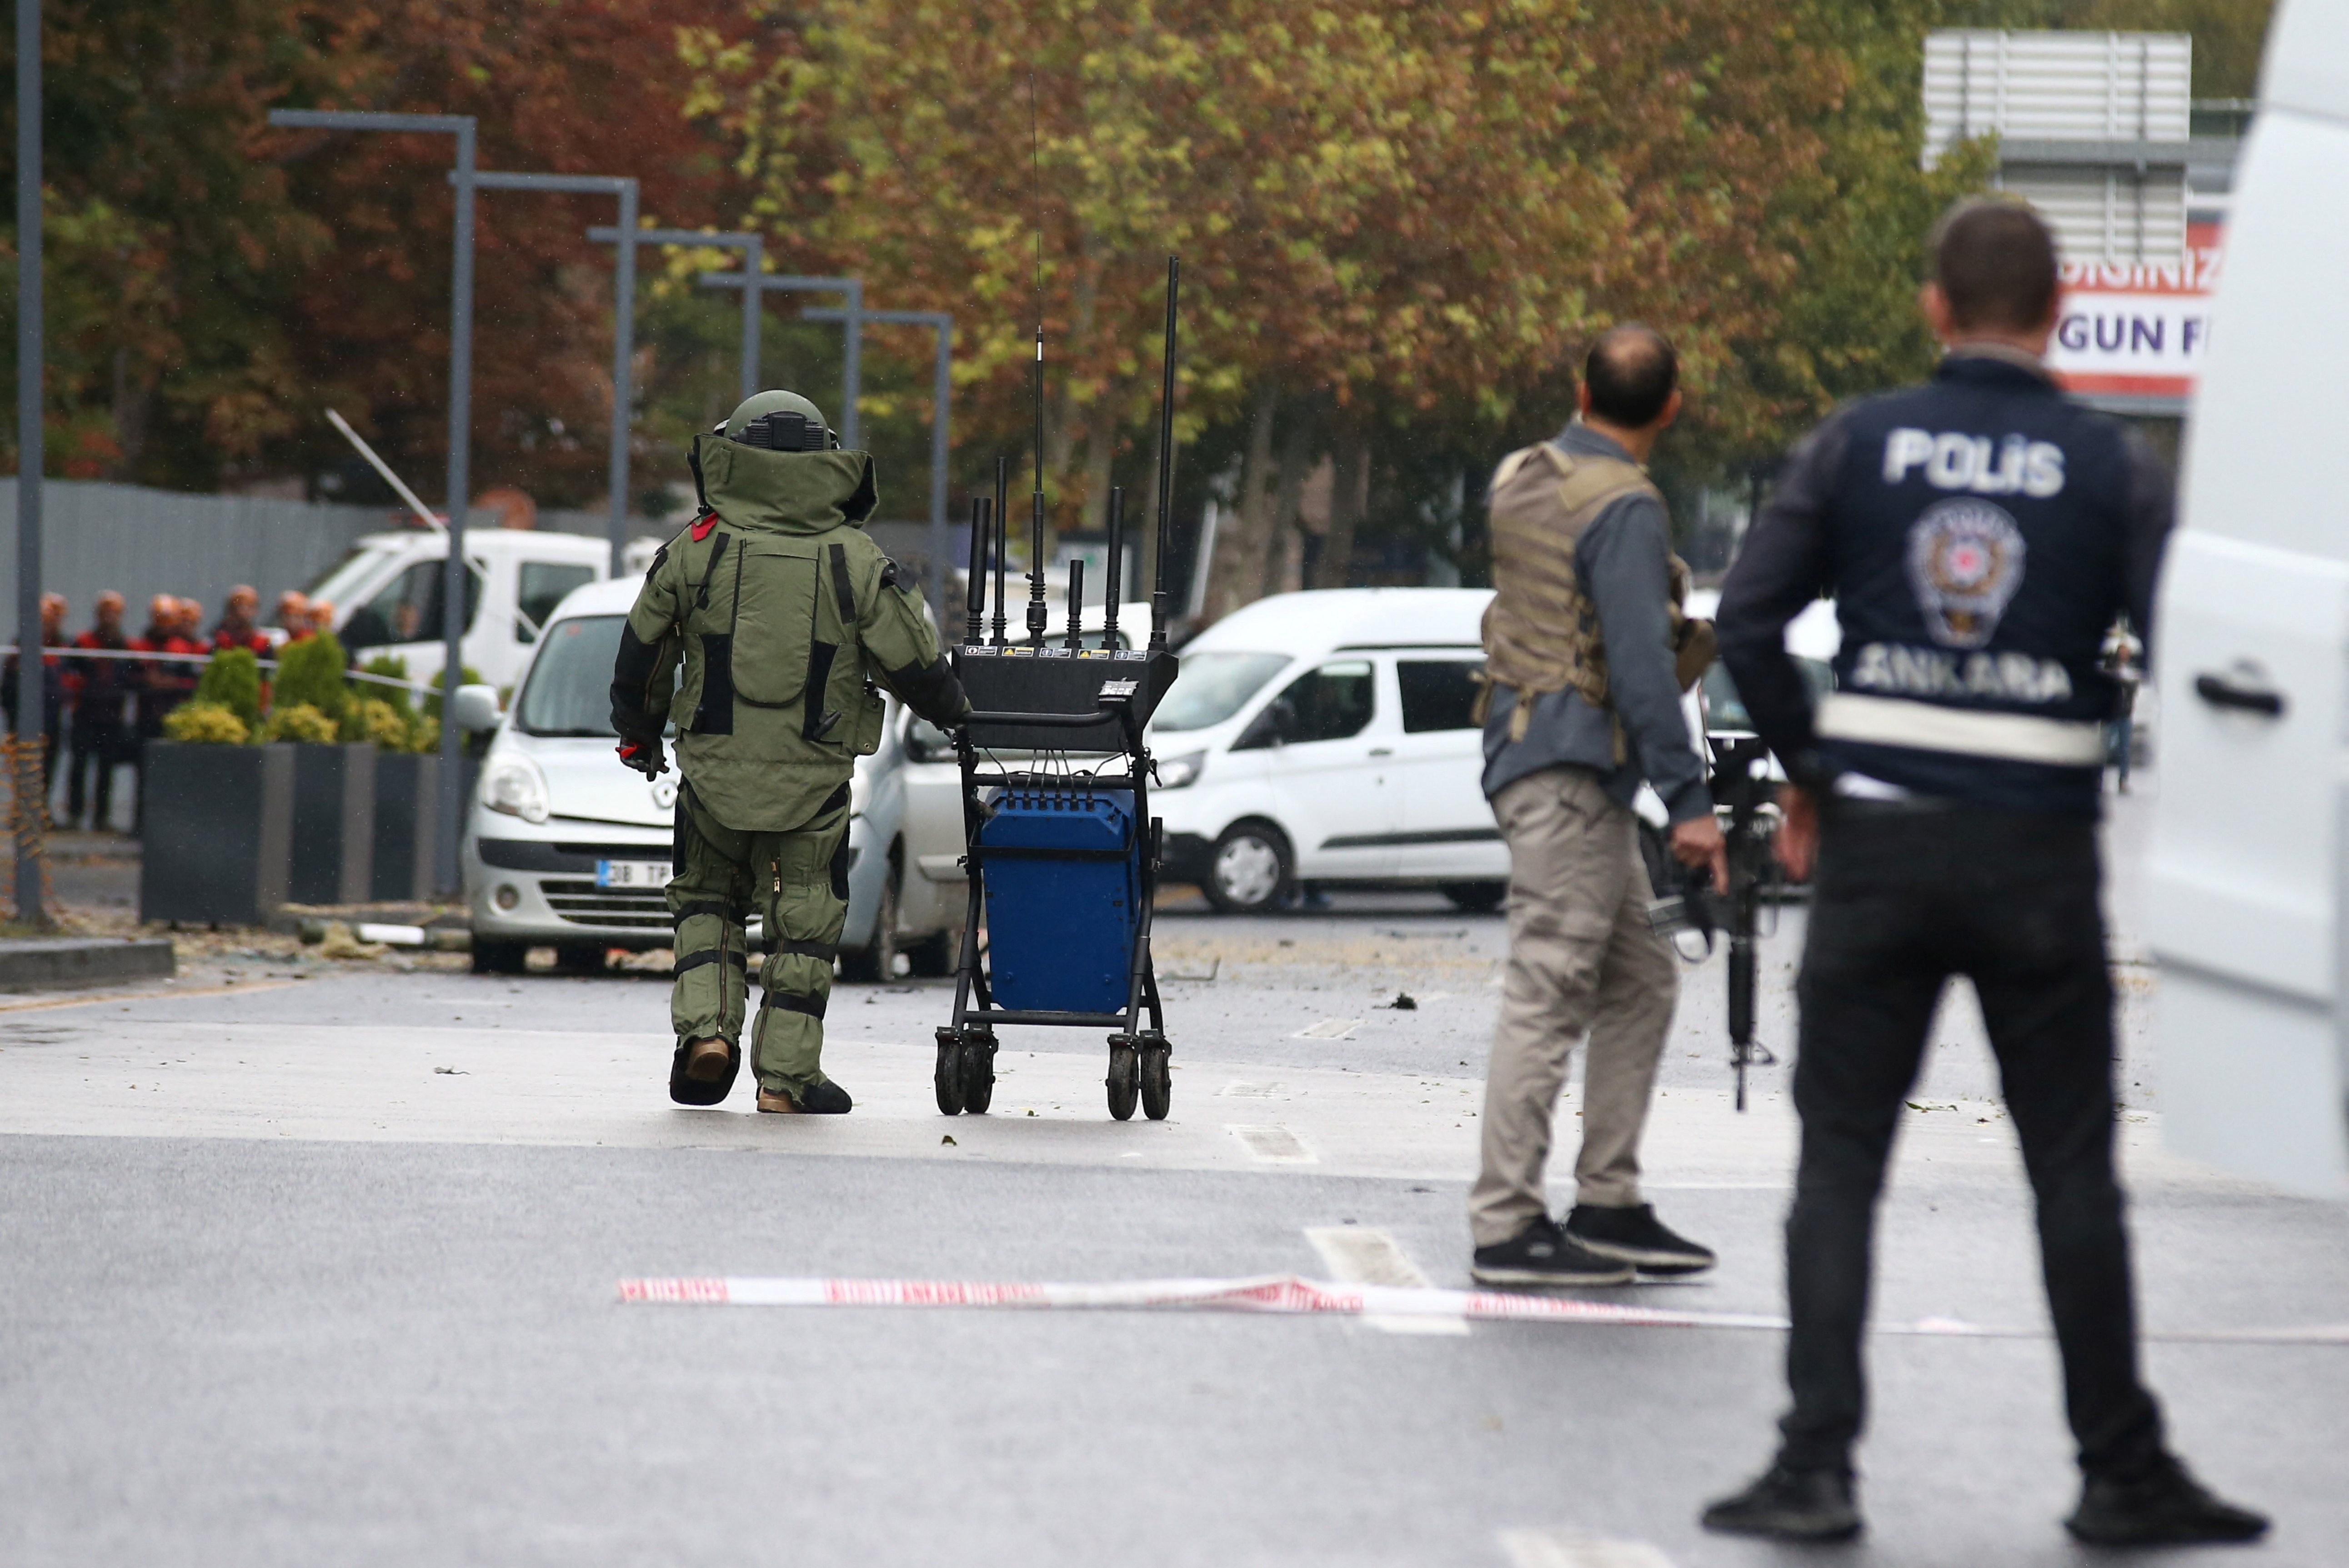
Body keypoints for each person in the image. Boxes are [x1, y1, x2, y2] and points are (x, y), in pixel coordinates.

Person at [1703, 199, 2267, 1547]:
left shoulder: (1857, 444)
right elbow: (2197, 644)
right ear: (2060, 313)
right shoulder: (2112, 465)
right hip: (2035, 861)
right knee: (2072, 1168)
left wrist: (1816, 768)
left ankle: (1815, 1464)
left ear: (1935, 309)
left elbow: (1752, 618)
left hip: (1881, 852)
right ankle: (2119, 1469)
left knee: (1841, 1161)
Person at [610, 390, 971, 1113]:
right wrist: (961, 719)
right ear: (825, 461)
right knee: (805, 917)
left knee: (706, 901)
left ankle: (707, 1032)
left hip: (712, 773)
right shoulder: (855, 558)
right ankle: (784, 1078)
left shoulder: (696, 549)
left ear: (731, 454)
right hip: (814, 777)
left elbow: (641, 653)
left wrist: (639, 734)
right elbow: (914, 665)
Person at [1466, 325, 1726, 1289]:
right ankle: (1505, 1222)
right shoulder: (1626, 504)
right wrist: (1691, 802)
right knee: (1547, 991)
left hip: (1541, 758)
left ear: (1580, 389)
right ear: (1670, 406)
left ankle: (1609, 1201)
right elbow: (1641, 662)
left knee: (1643, 977)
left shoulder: (1520, 474)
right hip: (1572, 776)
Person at [67, 591, 133, 831]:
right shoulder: (83, 641)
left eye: (115, 612)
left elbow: (131, 678)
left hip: (111, 716)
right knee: (80, 765)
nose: (110, 617)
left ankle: (101, 817)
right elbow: (71, 674)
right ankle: (75, 815)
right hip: (85, 713)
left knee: (106, 769)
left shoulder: (125, 645)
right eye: (106, 611)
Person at [3, 592, 70, 808]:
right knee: (23, 764)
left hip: (52, 718)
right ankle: (22, 809)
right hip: (23, 718)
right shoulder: (21, 644)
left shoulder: (64, 646)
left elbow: (69, 681)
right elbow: (8, 685)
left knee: (48, 764)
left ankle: (42, 809)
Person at [210, 585, 271, 654]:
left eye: (249, 607)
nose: (242, 612)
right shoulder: (218, 639)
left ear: (256, 610)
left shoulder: (261, 643)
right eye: (237, 607)